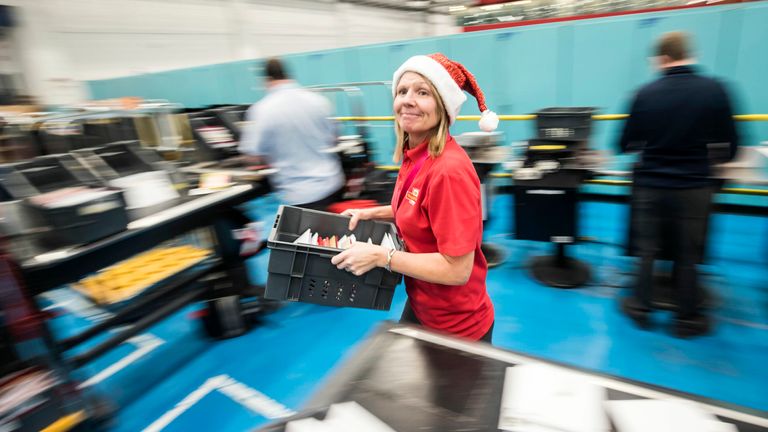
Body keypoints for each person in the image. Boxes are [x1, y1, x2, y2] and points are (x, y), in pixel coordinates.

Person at [331, 53, 499, 342]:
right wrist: (369, 213)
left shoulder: (448, 172)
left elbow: (457, 270)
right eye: (402, 91)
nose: (407, 100)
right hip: (422, 303)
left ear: (443, 106)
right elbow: (415, 206)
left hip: (456, 327)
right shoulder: (415, 153)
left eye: (422, 92)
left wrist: (383, 256)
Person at [618, 31, 739, 337]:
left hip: (651, 185)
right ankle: (687, 318)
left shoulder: (644, 94)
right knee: (688, 253)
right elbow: (732, 146)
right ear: (688, 53)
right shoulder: (716, 90)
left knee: (647, 250)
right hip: (695, 186)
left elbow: (626, 143)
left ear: (662, 59)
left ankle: (641, 309)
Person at [239, 57, 345, 210]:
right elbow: (334, 138)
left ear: (266, 80)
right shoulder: (318, 100)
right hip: (333, 184)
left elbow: (252, 156)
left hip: (301, 195)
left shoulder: (262, 110)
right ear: (288, 75)